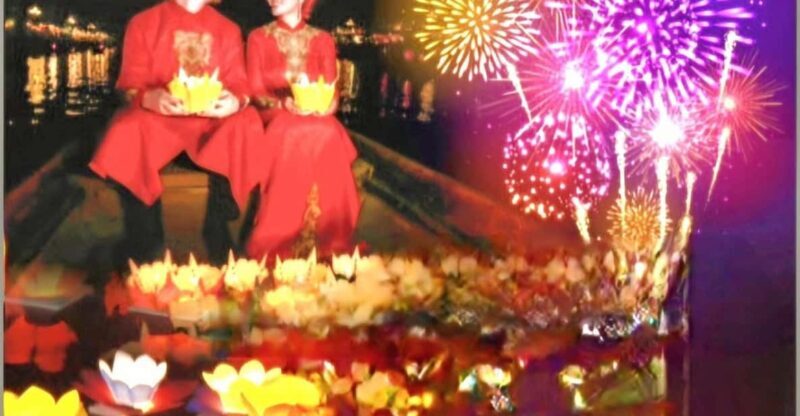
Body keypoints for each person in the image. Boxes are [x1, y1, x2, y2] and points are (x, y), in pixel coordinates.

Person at [89, 0, 263, 263]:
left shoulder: (229, 29)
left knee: (246, 121)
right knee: (125, 128)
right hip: (159, 121)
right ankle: (146, 234)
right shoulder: (143, 23)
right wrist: (149, 98)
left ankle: (217, 223)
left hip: (211, 124)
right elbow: (129, 84)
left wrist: (235, 101)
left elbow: (239, 84)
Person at [244, 0, 361, 259]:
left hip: (314, 117)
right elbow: (256, 91)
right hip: (274, 114)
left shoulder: (322, 39)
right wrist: (283, 104)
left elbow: (331, 88)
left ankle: (331, 238)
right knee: (293, 132)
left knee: (328, 131)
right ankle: (277, 241)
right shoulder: (258, 38)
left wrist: (330, 104)